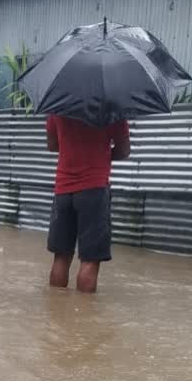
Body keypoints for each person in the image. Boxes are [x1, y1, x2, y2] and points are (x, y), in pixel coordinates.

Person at [46, 114, 130, 294]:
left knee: (61, 257)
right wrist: (103, 153)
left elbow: (52, 145)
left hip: (63, 191)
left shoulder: (58, 106)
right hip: (94, 190)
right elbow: (124, 150)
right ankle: (82, 317)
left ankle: (56, 313)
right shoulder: (112, 109)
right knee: (90, 260)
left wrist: (72, 148)